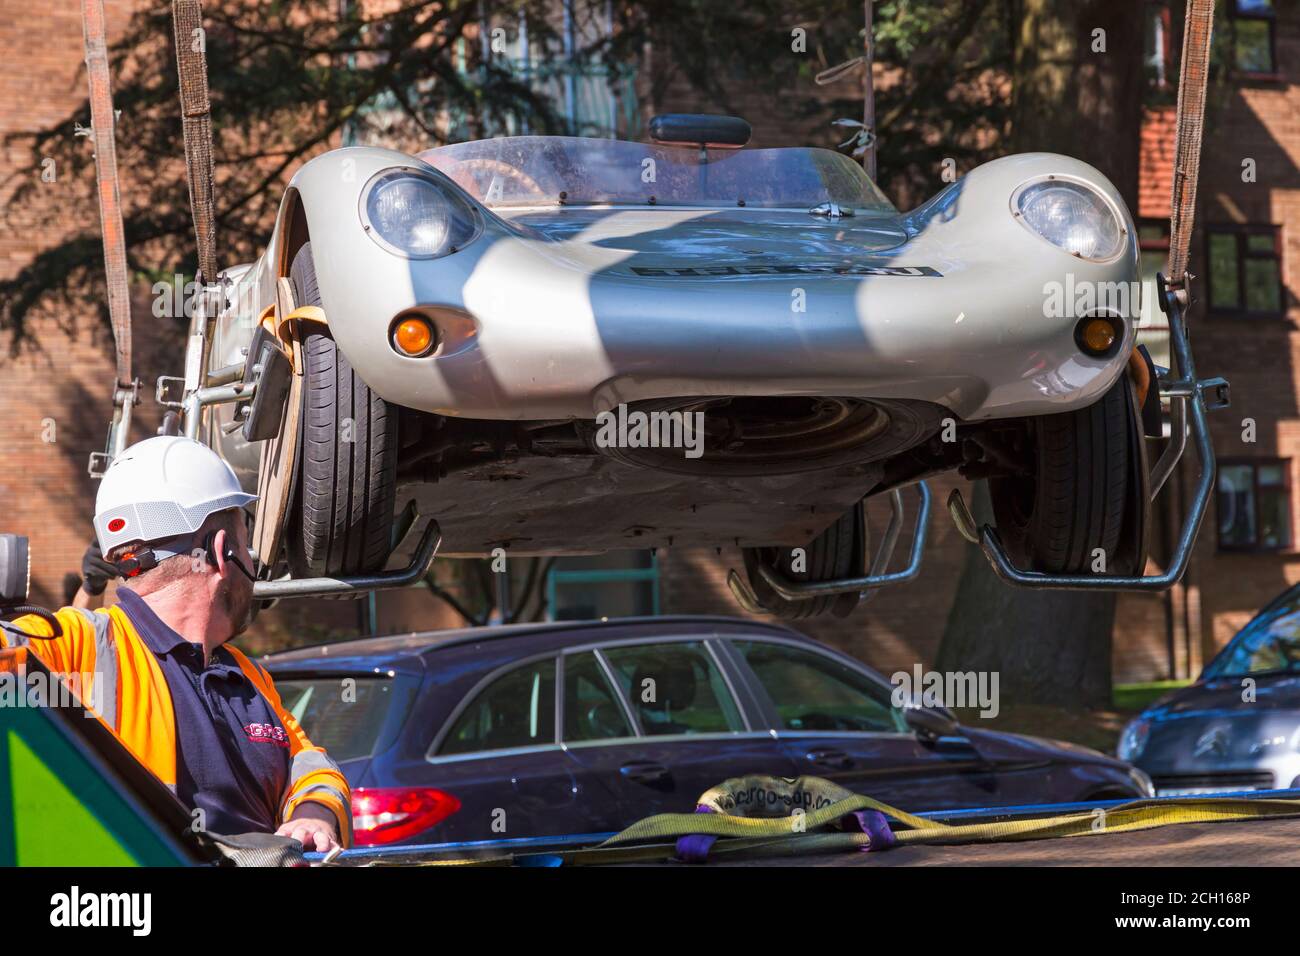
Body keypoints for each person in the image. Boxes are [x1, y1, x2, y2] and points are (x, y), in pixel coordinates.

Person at [0, 436, 350, 851]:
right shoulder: (81, 644)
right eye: (246, 539)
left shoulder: (248, 678)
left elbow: (310, 764)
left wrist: (314, 813)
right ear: (222, 552)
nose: (253, 564)